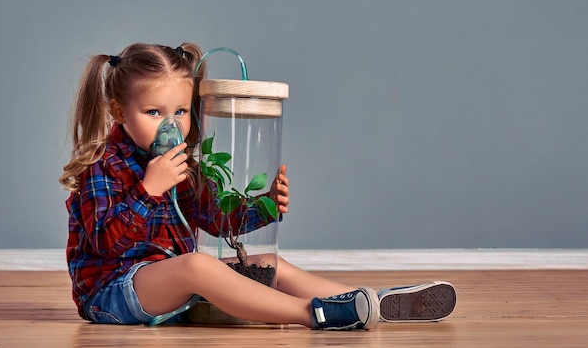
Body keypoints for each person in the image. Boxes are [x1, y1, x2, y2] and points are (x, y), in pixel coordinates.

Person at [60, 42, 456, 330]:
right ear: (118, 111)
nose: (171, 125)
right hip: (113, 294)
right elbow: (106, 242)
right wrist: (149, 189)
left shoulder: (181, 165)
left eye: (180, 111)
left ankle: (364, 299)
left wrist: (264, 205)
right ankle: (313, 313)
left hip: (167, 285)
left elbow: (216, 221)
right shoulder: (103, 165)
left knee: (268, 265)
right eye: (153, 112)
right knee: (198, 265)